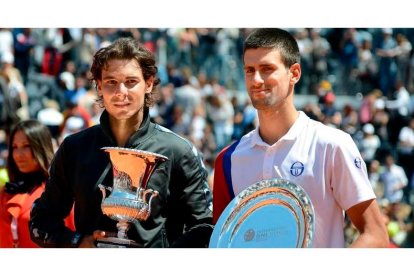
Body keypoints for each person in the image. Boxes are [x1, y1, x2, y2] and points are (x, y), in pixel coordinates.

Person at [29, 37, 213, 248]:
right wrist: (78, 242)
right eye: (111, 82)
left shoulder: (179, 151)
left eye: (131, 81)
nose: (121, 92)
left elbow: (204, 227)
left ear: (149, 83)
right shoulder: (74, 148)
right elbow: (40, 222)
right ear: (99, 86)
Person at [212, 28, 388, 248]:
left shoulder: (332, 145)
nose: (256, 80)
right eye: (249, 70)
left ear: (294, 73)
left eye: (267, 69)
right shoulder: (228, 160)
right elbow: (221, 246)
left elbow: (375, 235)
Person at [0, 120, 74, 247]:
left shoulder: (58, 192)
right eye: (14, 147)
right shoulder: (6, 192)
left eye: (26, 146)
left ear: (41, 147)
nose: (18, 155)